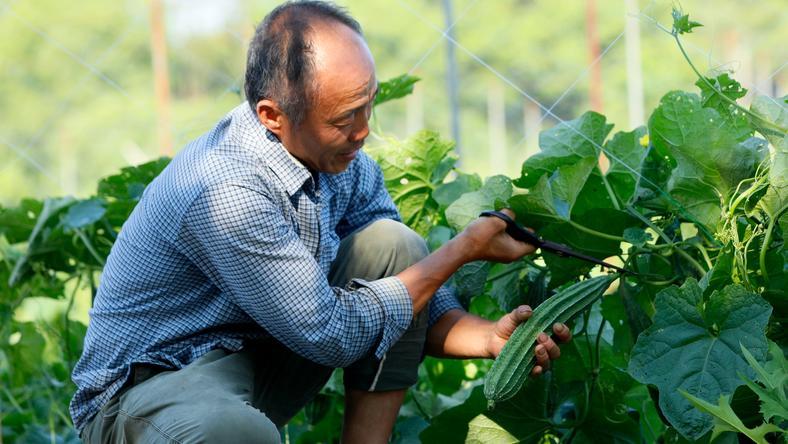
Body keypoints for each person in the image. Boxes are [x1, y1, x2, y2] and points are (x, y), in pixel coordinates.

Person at [70, 1, 571, 443]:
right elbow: (330, 334)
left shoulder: (340, 161)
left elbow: (413, 291)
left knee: (391, 244)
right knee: (233, 433)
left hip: (254, 356)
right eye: (344, 118)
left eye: (368, 103)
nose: (363, 131)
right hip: (147, 396)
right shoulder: (227, 191)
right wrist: (462, 249)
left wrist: (488, 339)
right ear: (272, 115)